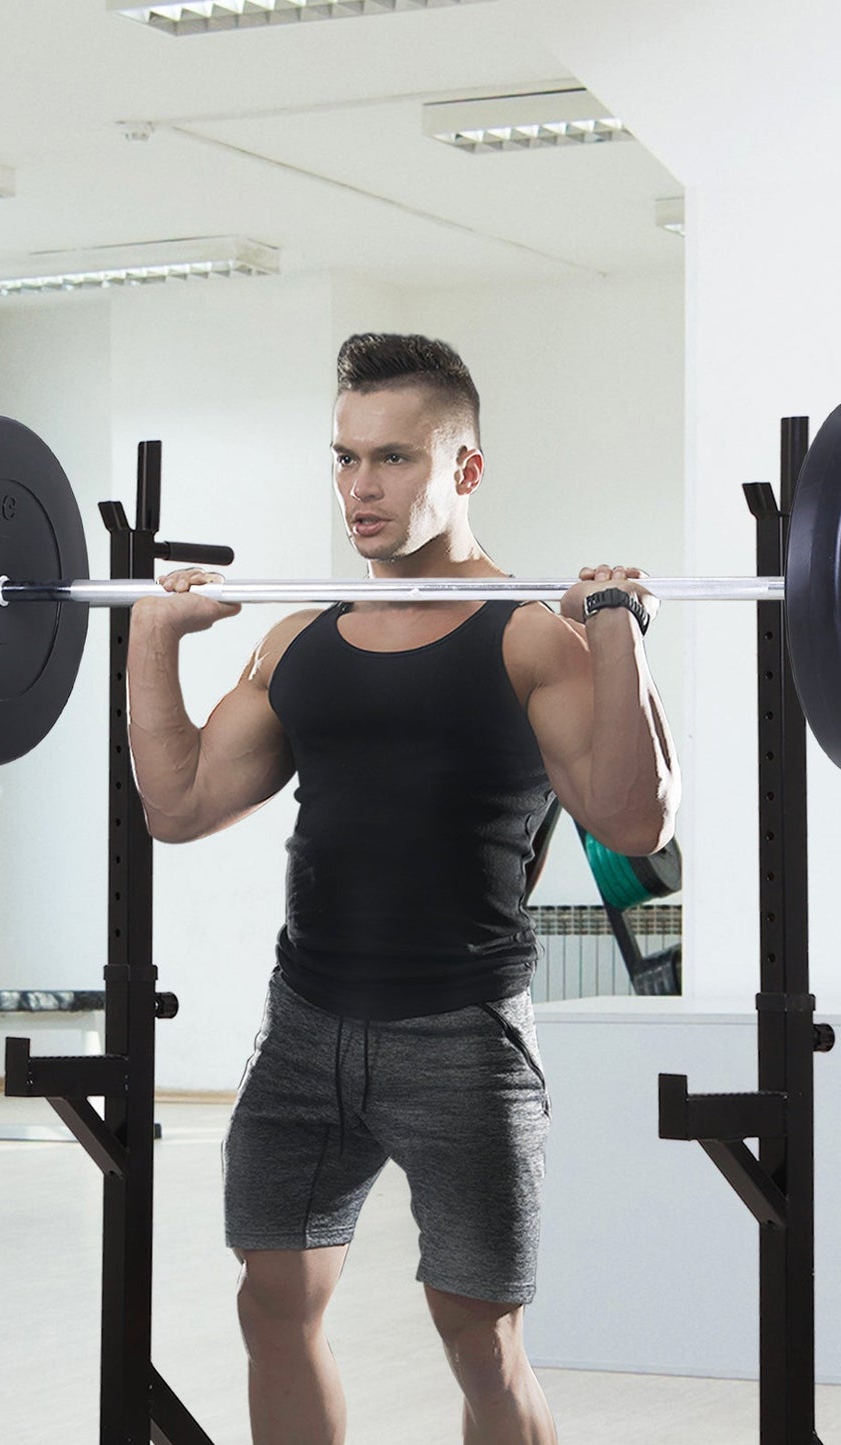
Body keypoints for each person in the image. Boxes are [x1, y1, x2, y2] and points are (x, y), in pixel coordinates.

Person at [126, 333, 679, 1445]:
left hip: (463, 1034)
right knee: (271, 1303)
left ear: (462, 469)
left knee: (479, 1338)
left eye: (389, 459)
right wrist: (150, 642)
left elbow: (633, 818)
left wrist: (617, 630)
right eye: (342, 459)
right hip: (303, 1026)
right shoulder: (298, 641)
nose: (358, 488)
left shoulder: (532, 635)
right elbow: (177, 805)